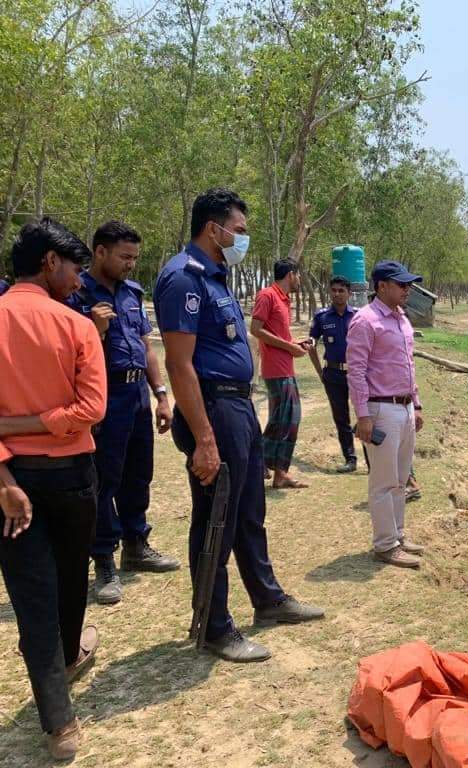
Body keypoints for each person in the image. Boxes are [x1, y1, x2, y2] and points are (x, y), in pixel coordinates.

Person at [154, 189, 323, 663]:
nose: (243, 239)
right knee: (217, 516)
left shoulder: (216, 278)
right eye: (240, 231)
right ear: (215, 229)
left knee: (249, 509)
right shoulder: (183, 279)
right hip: (212, 409)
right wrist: (204, 438)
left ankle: (267, 598)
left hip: (238, 406)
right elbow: (180, 365)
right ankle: (214, 626)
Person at [0, 218, 107, 759]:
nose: (78, 280)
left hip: (10, 482)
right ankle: (63, 672)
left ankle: (61, 725)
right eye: (74, 267)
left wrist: (11, 431)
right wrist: (50, 421)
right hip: (70, 478)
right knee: (68, 586)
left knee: (33, 599)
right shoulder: (77, 326)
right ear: (48, 262)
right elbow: (92, 410)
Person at [67, 221, 179, 606]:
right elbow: (68, 355)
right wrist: (93, 328)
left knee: (138, 472)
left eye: (135, 257)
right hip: (103, 395)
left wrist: (161, 394)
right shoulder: (75, 294)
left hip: (136, 394)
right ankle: (104, 561)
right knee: (103, 479)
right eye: (124, 257)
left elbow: (147, 347)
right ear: (100, 252)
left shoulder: (132, 293)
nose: (132, 264)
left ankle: (137, 544)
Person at [347, 260, 426, 569]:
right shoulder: (366, 321)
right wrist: (363, 417)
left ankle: (397, 535)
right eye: (401, 284)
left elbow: (408, 365)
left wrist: (416, 404)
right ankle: (384, 545)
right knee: (383, 481)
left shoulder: (402, 319)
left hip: (404, 407)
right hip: (381, 409)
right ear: (381, 286)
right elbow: (356, 372)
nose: (407, 289)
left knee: (401, 478)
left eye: (408, 284)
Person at [251, 259, 310, 489]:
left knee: (288, 421)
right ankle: (257, 465)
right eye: (298, 276)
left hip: (286, 367)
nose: (300, 280)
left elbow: (277, 334)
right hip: (275, 370)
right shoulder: (267, 295)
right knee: (282, 421)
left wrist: (296, 344)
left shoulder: (285, 300)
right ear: (291, 274)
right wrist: (289, 347)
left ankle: (279, 473)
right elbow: (256, 330)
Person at [308, 276, 358, 473]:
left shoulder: (358, 316)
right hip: (333, 374)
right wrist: (320, 372)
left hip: (356, 374)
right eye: (334, 290)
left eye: (341, 290)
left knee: (366, 414)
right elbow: (311, 342)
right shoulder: (321, 317)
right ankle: (350, 458)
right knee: (341, 418)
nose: (337, 294)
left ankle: (372, 459)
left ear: (349, 294)